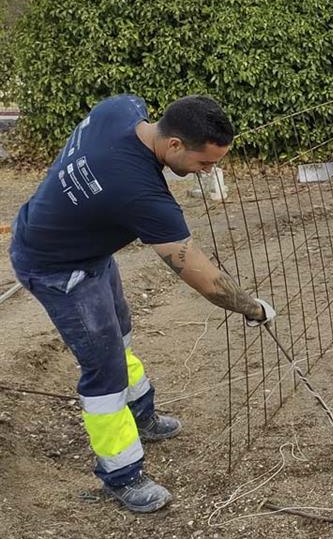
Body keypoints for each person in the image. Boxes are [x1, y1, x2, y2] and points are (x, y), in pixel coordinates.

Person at [9, 95, 278, 513]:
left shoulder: (122, 109)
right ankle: (121, 475)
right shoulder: (139, 194)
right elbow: (205, 279)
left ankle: (142, 414)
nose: (209, 171)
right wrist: (252, 308)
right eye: (204, 163)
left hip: (84, 248)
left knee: (120, 335)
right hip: (57, 268)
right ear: (174, 145)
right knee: (104, 373)